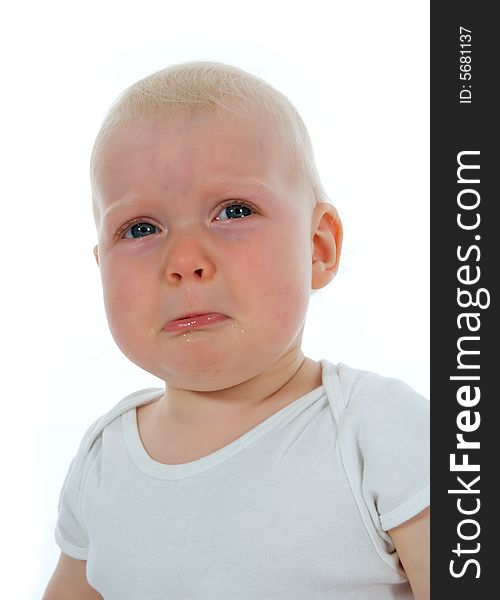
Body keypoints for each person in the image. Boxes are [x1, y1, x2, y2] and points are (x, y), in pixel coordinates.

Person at [43, 61, 429, 600]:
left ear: (317, 248)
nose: (184, 260)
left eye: (233, 211)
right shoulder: (104, 460)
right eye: (140, 228)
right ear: (101, 264)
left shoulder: (381, 432)